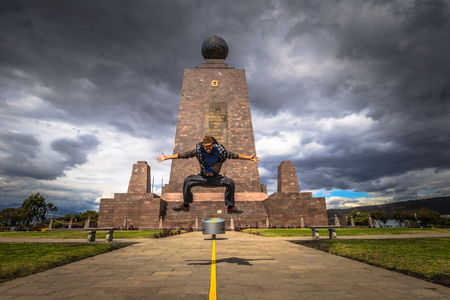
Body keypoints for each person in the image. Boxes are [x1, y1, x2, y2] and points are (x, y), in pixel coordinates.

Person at [156, 135, 260, 214]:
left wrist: (249, 158)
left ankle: (230, 207)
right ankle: (186, 205)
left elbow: (235, 155)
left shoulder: (221, 151)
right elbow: (184, 155)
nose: (208, 149)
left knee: (230, 182)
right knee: (188, 180)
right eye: (206, 147)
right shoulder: (198, 150)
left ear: (213, 144)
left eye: (209, 147)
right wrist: (167, 157)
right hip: (203, 177)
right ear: (202, 145)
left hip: (216, 178)